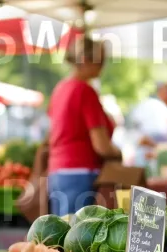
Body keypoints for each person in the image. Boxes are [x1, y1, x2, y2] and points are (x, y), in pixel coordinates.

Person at [46, 36, 121, 216]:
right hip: (80, 173)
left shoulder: (60, 88)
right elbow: (101, 146)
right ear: (86, 60)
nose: (103, 66)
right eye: (101, 61)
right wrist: (118, 152)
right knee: (77, 238)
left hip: (57, 172)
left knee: (57, 236)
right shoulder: (85, 91)